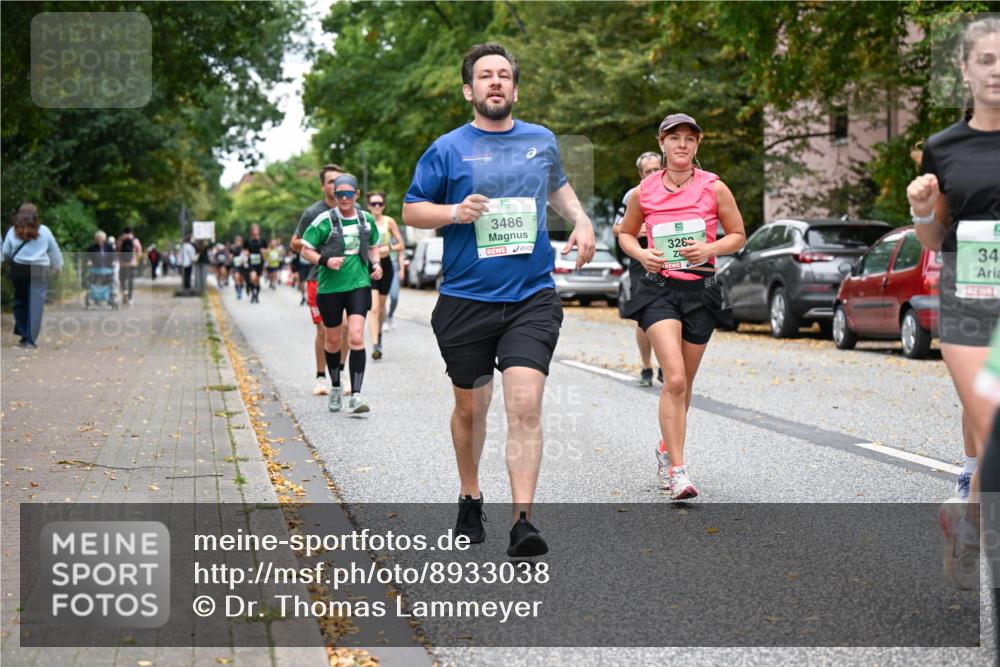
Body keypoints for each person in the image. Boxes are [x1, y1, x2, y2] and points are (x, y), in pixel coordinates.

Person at [402, 43, 596, 557]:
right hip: (466, 299)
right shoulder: (446, 148)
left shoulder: (541, 140)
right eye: (485, 76)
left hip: (531, 297)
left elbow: (557, 186)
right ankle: (470, 495)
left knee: (525, 404)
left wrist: (580, 219)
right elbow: (412, 210)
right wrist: (453, 212)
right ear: (470, 90)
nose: (495, 82)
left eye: (504, 75)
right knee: (470, 409)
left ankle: (523, 520)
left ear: (514, 87)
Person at [905, 17, 1000, 586]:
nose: (998, 70)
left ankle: (965, 518)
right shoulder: (943, 147)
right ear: (965, 69)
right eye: (986, 59)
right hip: (970, 301)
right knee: (991, 422)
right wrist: (921, 208)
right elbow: (935, 240)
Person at [619, 113, 747, 500]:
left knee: (684, 384)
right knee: (673, 378)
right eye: (675, 138)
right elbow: (626, 234)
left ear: (698, 144)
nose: (682, 145)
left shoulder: (715, 188)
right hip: (658, 287)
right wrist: (642, 254)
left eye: (690, 139)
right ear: (662, 143)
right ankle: (678, 471)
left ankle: (664, 447)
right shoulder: (645, 191)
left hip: (700, 290)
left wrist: (710, 248)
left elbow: (738, 235)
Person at [300, 173, 382, 414]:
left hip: (359, 284)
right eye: (339, 194)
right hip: (330, 288)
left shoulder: (366, 220)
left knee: (356, 336)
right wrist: (325, 260)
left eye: (348, 194)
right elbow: (306, 250)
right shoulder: (323, 221)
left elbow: (375, 244)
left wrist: (375, 265)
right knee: (333, 340)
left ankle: (356, 395)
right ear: (334, 195)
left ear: (356, 195)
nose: (344, 198)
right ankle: (335, 386)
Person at [612, 151, 664, 386]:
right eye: (648, 171)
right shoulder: (634, 195)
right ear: (641, 174)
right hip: (640, 258)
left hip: (667, 258)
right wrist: (640, 230)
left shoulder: (674, 190)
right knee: (645, 315)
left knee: (671, 311)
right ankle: (646, 367)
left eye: (657, 169)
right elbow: (617, 228)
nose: (653, 174)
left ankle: (666, 364)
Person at [292, 164, 343, 396]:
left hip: (347, 278)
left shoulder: (354, 209)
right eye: (330, 181)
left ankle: (339, 373)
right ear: (323, 185)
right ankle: (321, 377)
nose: (335, 185)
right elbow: (295, 243)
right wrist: (316, 247)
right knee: (324, 329)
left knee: (343, 328)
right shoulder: (313, 213)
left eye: (339, 180)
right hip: (318, 278)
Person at [1, 203, 63, 348]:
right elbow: (54, 249)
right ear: (35, 215)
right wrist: (58, 265)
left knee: (20, 301)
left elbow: (5, 252)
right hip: (40, 269)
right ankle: (30, 339)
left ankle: (23, 334)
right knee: (36, 304)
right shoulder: (45, 231)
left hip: (19, 269)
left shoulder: (12, 231)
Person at [366, 191, 406, 360]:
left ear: (383, 205)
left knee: (382, 307)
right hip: (369, 266)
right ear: (368, 206)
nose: (377, 207)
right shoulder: (364, 220)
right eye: (373, 204)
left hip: (386, 266)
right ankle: (375, 344)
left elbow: (401, 244)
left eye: (380, 204)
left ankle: (379, 335)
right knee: (373, 308)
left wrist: (388, 248)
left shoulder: (389, 221)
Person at [117, 227, 142, 305]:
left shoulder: (120, 240)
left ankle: (124, 291)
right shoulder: (135, 240)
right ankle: (130, 298)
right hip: (132, 263)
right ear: (132, 232)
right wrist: (137, 259)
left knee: (122, 279)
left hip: (122, 263)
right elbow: (139, 252)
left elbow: (117, 250)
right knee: (131, 281)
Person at [244, 224, 267, 303]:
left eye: (256, 230)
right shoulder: (248, 241)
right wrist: (247, 253)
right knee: (252, 277)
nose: (255, 231)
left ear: (258, 231)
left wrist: (264, 252)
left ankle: (256, 295)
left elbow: (266, 251)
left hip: (260, 263)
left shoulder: (262, 241)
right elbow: (244, 250)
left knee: (257, 280)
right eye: (253, 230)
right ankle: (252, 291)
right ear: (251, 231)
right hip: (251, 262)